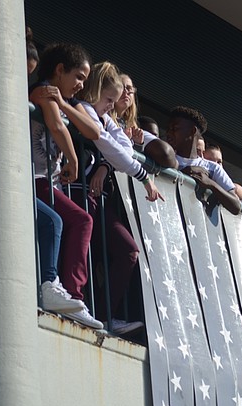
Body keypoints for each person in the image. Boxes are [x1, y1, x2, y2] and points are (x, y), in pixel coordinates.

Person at [74, 61, 163, 334]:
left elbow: (121, 145)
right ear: (97, 91)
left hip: (97, 198)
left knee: (128, 249)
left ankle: (103, 315)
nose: (112, 105)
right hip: (78, 190)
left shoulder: (105, 116)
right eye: (109, 99)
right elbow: (108, 144)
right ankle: (76, 303)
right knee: (82, 243)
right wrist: (143, 175)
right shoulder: (84, 109)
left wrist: (108, 164)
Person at [29, 43, 105, 329]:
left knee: (79, 221)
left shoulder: (61, 100)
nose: (81, 85)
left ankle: (69, 294)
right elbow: (57, 127)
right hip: (35, 180)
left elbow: (94, 131)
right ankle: (59, 289)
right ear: (59, 70)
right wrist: (72, 159)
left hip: (48, 184)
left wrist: (64, 104)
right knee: (76, 220)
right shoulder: (41, 91)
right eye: (79, 77)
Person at [164, 106, 241, 215]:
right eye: (168, 129)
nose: (169, 133)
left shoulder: (213, 168)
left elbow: (236, 206)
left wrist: (211, 184)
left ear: (192, 131)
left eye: (175, 129)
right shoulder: (164, 156)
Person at [111, 74, 176, 169]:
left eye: (129, 88)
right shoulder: (104, 118)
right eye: (121, 87)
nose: (125, 92)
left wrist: (138, 145)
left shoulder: (132, 127)